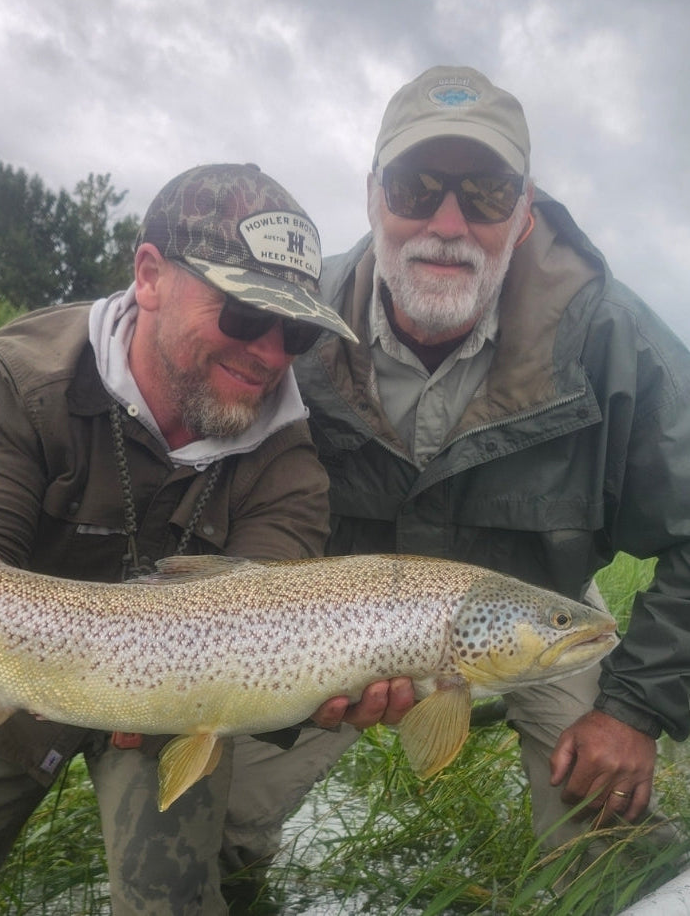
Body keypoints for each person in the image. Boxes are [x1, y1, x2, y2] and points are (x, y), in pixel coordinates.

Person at [0, 162, 387, 916]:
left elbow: (267, 627)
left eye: (295, 329)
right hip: (15, 659)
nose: (269, 351)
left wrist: (330, 689)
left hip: (176, 702)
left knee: (173, 905)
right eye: (241, 314)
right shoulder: (14, 376)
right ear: (150, 275)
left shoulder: (292, 459)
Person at [294, 66, 690, 862]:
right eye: (416, 187)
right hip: (316, 636)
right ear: (373, 194)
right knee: (214, 819)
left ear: (525, 212)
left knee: (612, 848)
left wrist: (636, 709)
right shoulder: (290, 324)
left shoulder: (613, 345)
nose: (448, 221)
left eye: (485, 194)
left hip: (539, 622)